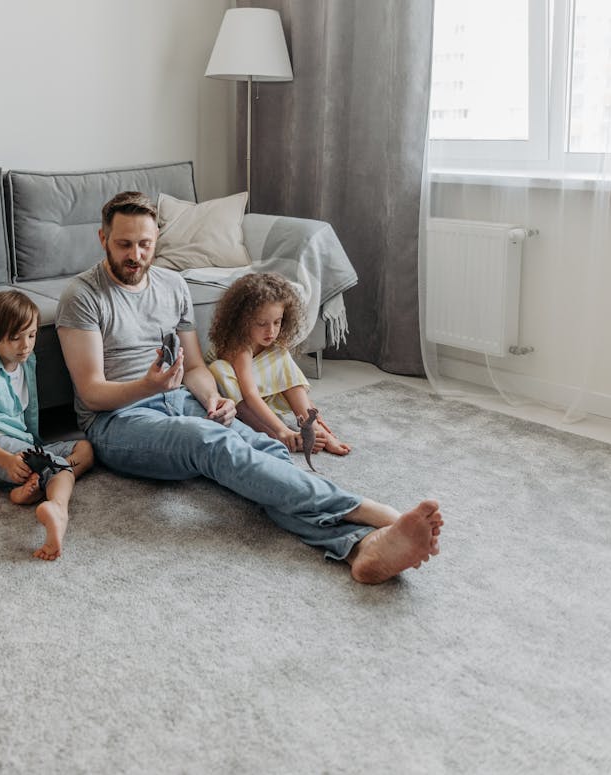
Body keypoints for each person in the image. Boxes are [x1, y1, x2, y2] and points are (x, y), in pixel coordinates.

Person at [55, 192, 442, 583]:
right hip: (118, 420)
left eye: (145, 244)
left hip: (179, 400)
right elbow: (92, 393)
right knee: (211, 442)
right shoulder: (83, 296)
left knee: (266, 449)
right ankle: (369, 512)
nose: (135, 255)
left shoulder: (173, 285)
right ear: (103, 238)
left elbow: (194, 367)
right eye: (124, 244)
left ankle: (359, 547)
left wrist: (214, 399)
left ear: (157, 240)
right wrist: (147, 386)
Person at [0, 290, 94, 560]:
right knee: (58, 467)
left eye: (31, 335)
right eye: (16, 338)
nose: (26, 345)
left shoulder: (26, 362)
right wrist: (7, 461)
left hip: (22, 444)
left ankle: (37, 484)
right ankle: (57, 506)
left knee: (85, 449)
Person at [207, 272, 351, 456]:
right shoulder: (240, 346)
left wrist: (313, 416)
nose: (271, 331)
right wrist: (283, 430)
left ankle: (314, 429)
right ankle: (277, 436)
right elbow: (250, 395)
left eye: (277, 322)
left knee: (280, 354)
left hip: (262, 395)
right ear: (243, 321)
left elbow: (288, 379)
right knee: (219, 369)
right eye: (262, 323)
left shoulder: (270, 342)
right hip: (237, 401)